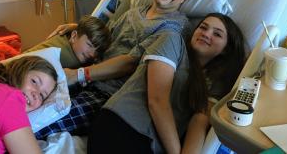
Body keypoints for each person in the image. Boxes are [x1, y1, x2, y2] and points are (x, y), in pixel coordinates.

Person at [35, 0, 201, 139]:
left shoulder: (175, 28)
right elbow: (108, 37)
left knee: (37, 127)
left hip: (107, 94)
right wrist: (79, 28)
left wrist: (79, 74)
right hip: (86, 82)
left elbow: (130, 62)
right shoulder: (133, 12)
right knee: (27, 100)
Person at [87, 13, 246, 154]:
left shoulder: (212, 83)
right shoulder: (172, 41)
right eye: (203, 27)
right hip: (121, 126)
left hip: (154, 146)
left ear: (226, 49)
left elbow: (199, 123)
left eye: (217, 34)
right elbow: (157, 102)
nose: (206, 33)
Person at [0, 15, 111, 78]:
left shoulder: (68, 38)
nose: (91, 53)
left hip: (8, 67)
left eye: (96, 51)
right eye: (89, 45)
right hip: (5, 72)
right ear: (74, 36)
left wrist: (74, 26)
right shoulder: (68, 57)